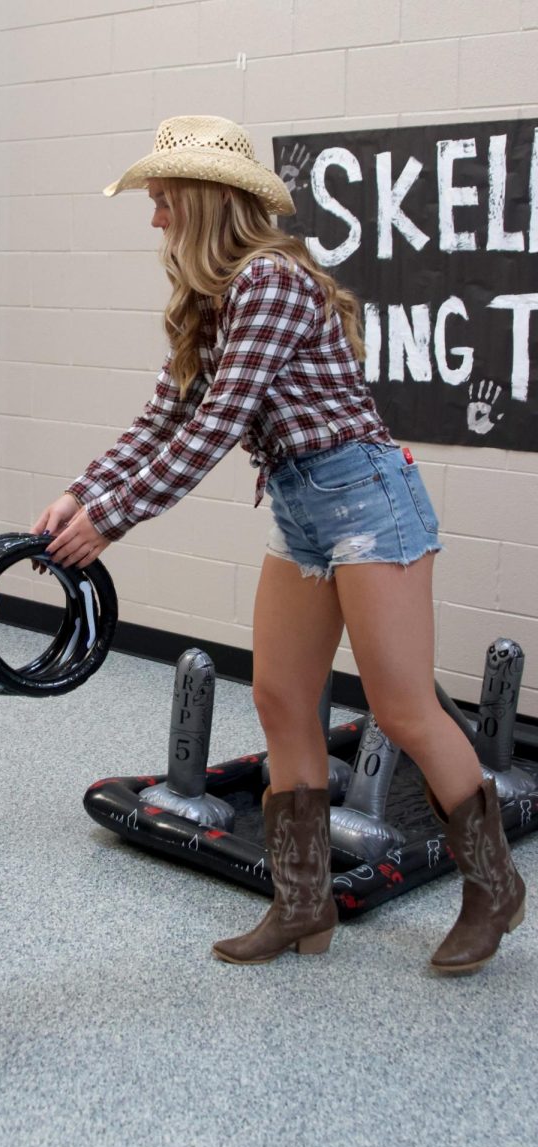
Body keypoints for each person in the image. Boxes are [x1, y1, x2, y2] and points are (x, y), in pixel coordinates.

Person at [32, 115, 525, 975]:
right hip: (301, 506)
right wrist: (83, 490)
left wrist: (114, 518)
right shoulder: (206, 299)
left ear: (203, 199)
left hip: (367, 498)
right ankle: (303, 905)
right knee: (278, 697)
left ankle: (493, 887)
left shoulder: (272, 283)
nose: (153, 217)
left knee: (403, 707)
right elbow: (164, 418)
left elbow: (219, 424)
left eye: (160, 199)